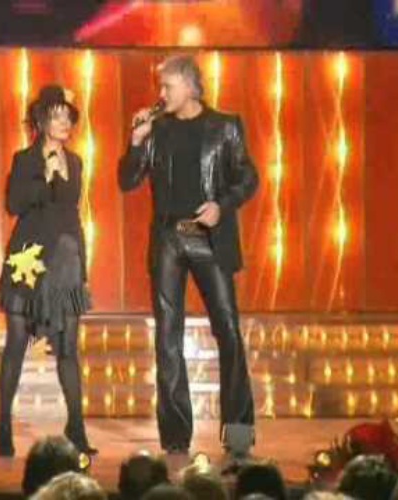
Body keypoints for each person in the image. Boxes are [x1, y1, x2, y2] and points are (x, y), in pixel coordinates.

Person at [118, 55, 258, 458]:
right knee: (168, 337)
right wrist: (136, 142)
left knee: (228, 331)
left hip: (208, 238)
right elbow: (127, 180)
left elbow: (248, 177)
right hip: (168, 239)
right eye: (161, 87)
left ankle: (238, 434)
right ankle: (176, 437)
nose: (162, 93)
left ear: (190, 86)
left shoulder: (226, 126)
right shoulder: (156, 129)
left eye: (168, 86)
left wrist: (222, 205)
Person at [0, 84, 97, 457]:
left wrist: (82, 268)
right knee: (17, 341)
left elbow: (73, 215)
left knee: (68, 347)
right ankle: (4, 425)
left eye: (68, 117)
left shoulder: (77, 162)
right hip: (29, 258)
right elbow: (14, 203)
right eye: (57, 116)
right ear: (41, 121)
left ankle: (77, 428)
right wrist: (44, 177)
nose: (65, 123)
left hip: (65, 261)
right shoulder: (25, 159)